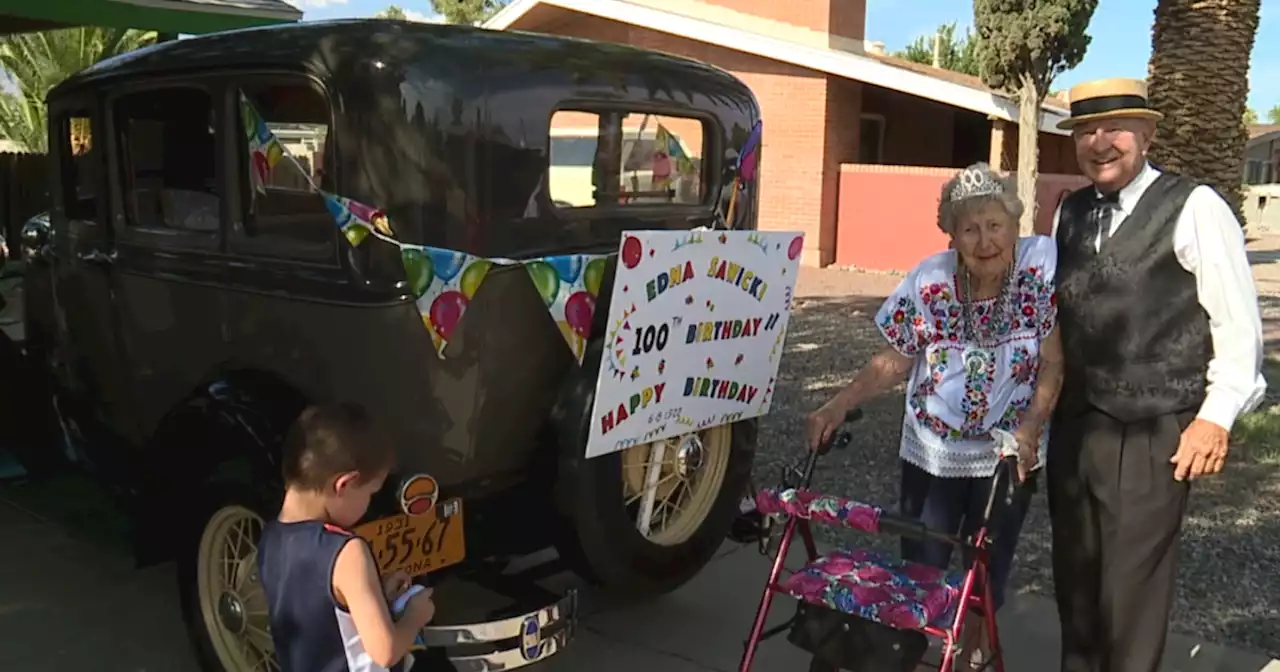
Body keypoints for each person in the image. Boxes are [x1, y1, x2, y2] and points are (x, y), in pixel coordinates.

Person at [807, 162, 1064, 669]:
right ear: (951, 233)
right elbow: (894, 359)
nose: (985, 239)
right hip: (933, 451)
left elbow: (1054, 361)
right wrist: (838, 403)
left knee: (987, 568)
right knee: (921, 569)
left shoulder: (1037, 273)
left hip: (1007, 453)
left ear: (1015, 226)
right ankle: (909, 650)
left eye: (996, 225)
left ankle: (971, 651)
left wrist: (1033, 426)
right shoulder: (930, 282)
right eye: (970, 228)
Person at [1048, 78, 1266, 672]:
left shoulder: (1194, 207)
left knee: (1130, 596)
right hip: (1075, 431)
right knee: (1077, 587)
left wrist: (1214, 419)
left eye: (1114, 128)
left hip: (1152, 432)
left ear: (1147, 133)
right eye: (1086, 131)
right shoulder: (1069, 211)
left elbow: (1238, 327)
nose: (1100, 142)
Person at [257, 402, 437, 672]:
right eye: (369, 493)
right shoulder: (346, 552)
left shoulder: (269, 539)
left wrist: (379, 598)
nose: (368, 503)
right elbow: (385, 651)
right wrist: (414, 617)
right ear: (344, 484)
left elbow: (322, 617)